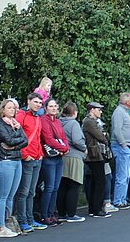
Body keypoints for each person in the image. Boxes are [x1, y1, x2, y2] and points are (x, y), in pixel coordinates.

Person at [0, 99, 26, 238]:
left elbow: (25, 140)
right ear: (3, 110)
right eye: (10, 108)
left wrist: (14, 145)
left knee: (11, 196)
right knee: (3, 196)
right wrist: (15, 141)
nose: (13, 110)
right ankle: (0, 226)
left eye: (14, 108)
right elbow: (8, 140)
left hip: (17, 159)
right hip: (5, 161)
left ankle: (8, 221)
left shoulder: (16, 125)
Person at [15, 93, 46, 232]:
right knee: (24, 191)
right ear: (28, 101)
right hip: (27, 158)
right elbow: (17, 135)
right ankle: (23, 220)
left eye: (40, 102)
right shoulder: (22, 115)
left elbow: (38, 138)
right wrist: (24, 155)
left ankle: (30, 219)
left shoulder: (37, 118)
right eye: (36, 102)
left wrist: (40, 154)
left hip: (36, 158)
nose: (38, 104)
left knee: (31, 191)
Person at [39, 98, 70, 226]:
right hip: (49, 158)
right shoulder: (44, 121)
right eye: (51, 106)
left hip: (59, 157)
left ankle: (52, 213)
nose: (54, 108)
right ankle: (44, 215)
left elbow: (62, 136)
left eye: (55, 106)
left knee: (56, 187)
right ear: (45, 108)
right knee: (49, 187)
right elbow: (48, 139)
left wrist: (66, 147)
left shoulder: (57, 121)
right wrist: (63, 148)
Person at [57, 102, 86, 223]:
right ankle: (71, 214)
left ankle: (61, 213)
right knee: (73, 185)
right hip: (74, 156)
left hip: (62, 156)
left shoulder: (58, 122)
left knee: (63, 186)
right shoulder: (73, 123)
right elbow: (77, 140)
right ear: (74, 112)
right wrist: (84, 148)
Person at [110, 92, 130, 210]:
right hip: (121, 147)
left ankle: (122, 199)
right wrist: (123, 144)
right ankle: (118, 200)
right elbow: (117, 130)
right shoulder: (119, 112)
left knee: (126, 174)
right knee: (122, 175)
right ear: (127, 102)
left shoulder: (124, 112)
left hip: (127, 146)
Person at [83, 102, 111, 218]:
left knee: (96, 181)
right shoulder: (89, 122)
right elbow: (101, 136)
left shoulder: (92, 122)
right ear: (92, 110)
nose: (100, 111)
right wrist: (104, 135)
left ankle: (94, 207)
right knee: (99, 181)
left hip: (97, 154)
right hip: (94, 155)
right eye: (98, 109)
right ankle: (96, 209)